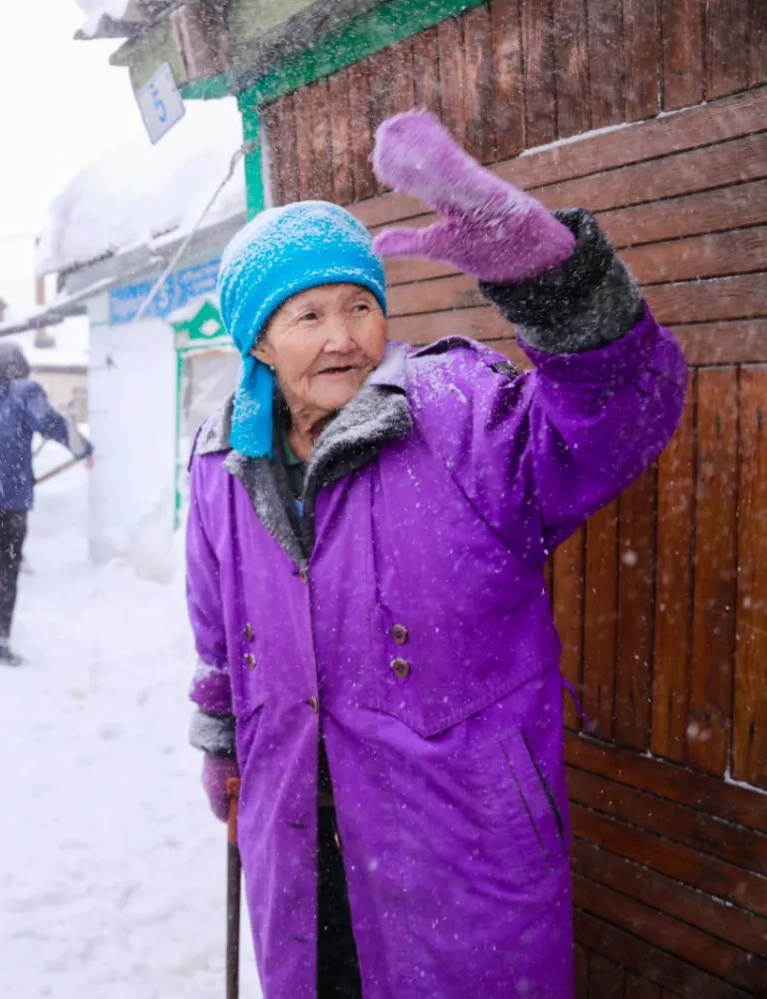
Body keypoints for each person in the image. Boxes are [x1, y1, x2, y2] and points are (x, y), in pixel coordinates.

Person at [184, 111, 684, 998]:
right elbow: (217, 629)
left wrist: (553, 282)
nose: (343, 336)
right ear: (256, 340)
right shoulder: (224, 462)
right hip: (299, 831)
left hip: (458, 839)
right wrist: (224, 742)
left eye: (360, 306)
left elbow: (618, 417)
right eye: (307, 315)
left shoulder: (456, 413)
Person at [0, 342, 92, 665]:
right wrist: (83, 447)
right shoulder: (25, 392)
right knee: (6, 571)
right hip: (8, 500)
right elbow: (52, 423)